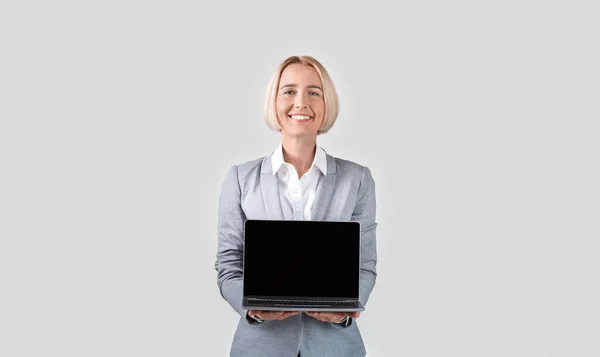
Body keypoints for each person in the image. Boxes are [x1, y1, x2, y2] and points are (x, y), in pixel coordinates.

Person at [215, 55, 378, 357]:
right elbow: (228, 266)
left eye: (313, 92)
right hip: (261, 347)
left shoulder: (357, 179)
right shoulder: (241, 179)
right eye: (289, 91)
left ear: (326, 103)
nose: (301, 102)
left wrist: (343, 314)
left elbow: (364, 266)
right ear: (274, 102)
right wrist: (253, 310)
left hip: (335, 348)